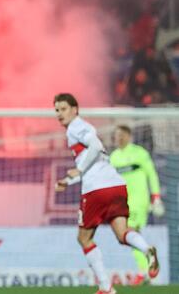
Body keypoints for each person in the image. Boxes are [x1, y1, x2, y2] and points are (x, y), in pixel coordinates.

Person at [53, 93, 159, 294]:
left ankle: (106, 288)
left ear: (75, 110)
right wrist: (67, 181)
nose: (59, 114)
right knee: (122, 234)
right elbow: (95, 158)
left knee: (84, 238)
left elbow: (96, 146)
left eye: (64, 109)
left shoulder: (76, 127)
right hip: (116, 186)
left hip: (96, 190)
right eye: (57, 110)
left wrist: (79, 171)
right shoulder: (82, 128)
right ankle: (147, 250)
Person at [109, 124, 164, 284]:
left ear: (128, 136)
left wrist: (156, 197)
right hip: (122, 203)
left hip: (139, 202)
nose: (118, 138)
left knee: (130, 232)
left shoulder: (140, 153)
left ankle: (145, 268)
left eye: (121, 135)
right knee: (127, 237)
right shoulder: (114, 157)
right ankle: (147, 267)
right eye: (116, 135)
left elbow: (152, 174)